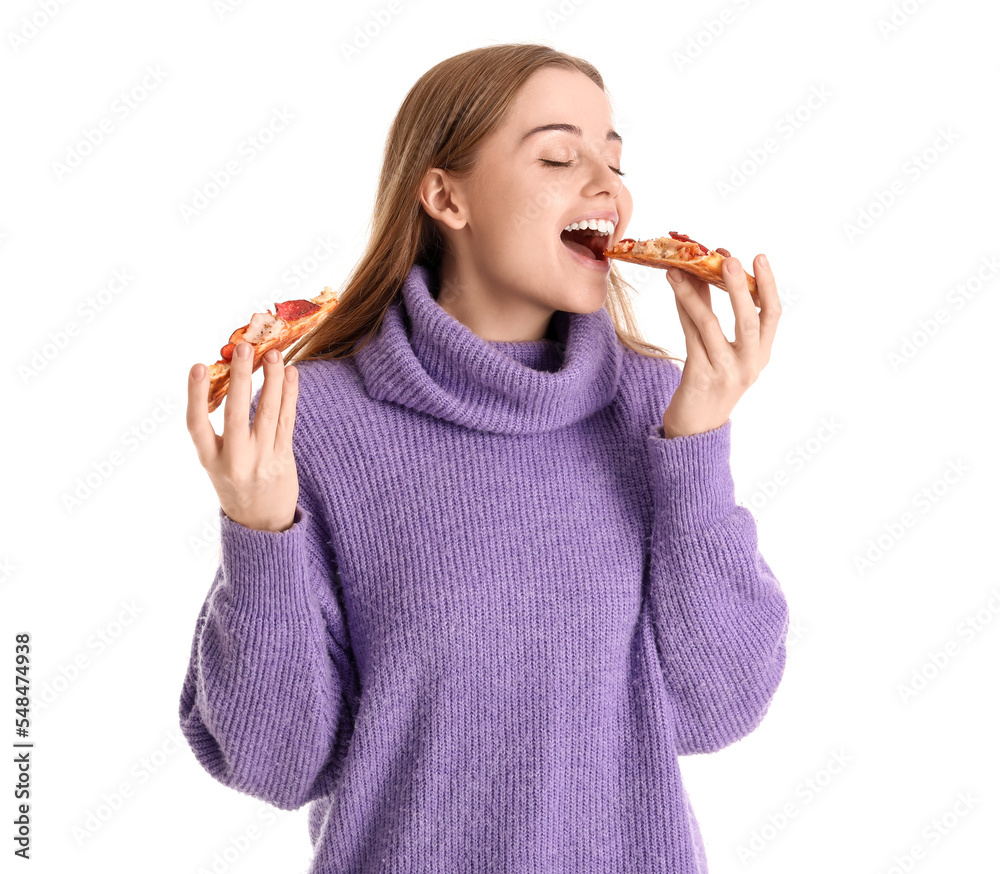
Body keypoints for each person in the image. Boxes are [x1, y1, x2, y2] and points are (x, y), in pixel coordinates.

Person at [179, 42, 788, 873]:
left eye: (613, 159)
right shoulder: (313, 420)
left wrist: (695, 452)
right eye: (559, 155)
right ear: (444, 196)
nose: (609, 188)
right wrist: (258, 536)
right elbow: (275, 765)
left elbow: (716, 708)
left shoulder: (658, 406)